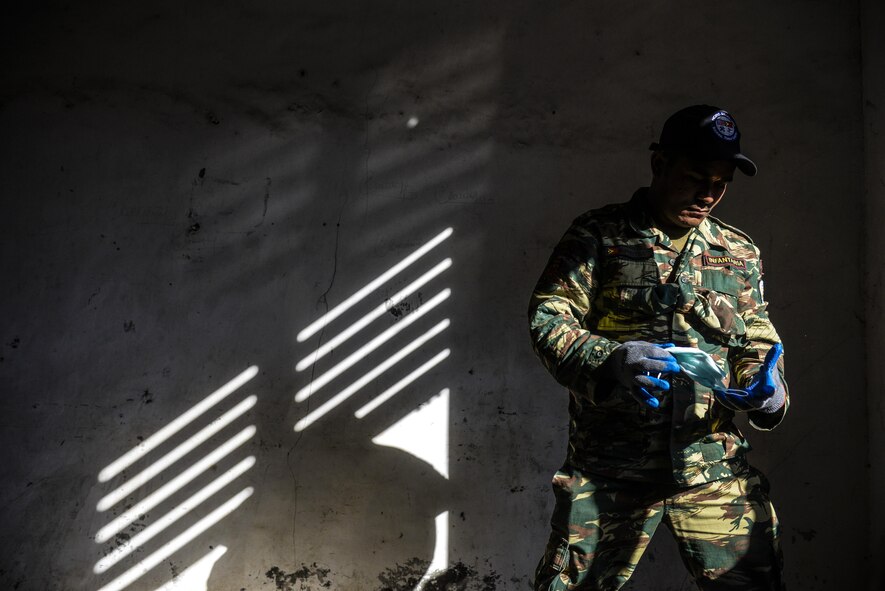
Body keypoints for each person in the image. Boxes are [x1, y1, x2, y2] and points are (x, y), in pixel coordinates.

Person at [528, 105, 789, 591]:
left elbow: (756, 340)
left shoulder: (739, 251)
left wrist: (765, 387)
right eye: (695, 178)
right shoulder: (599, 236)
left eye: (721, 182)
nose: (708, 193)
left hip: (711, 467)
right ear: (659, 164)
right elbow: (549, 317)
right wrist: (609, 358)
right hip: (611, 467)